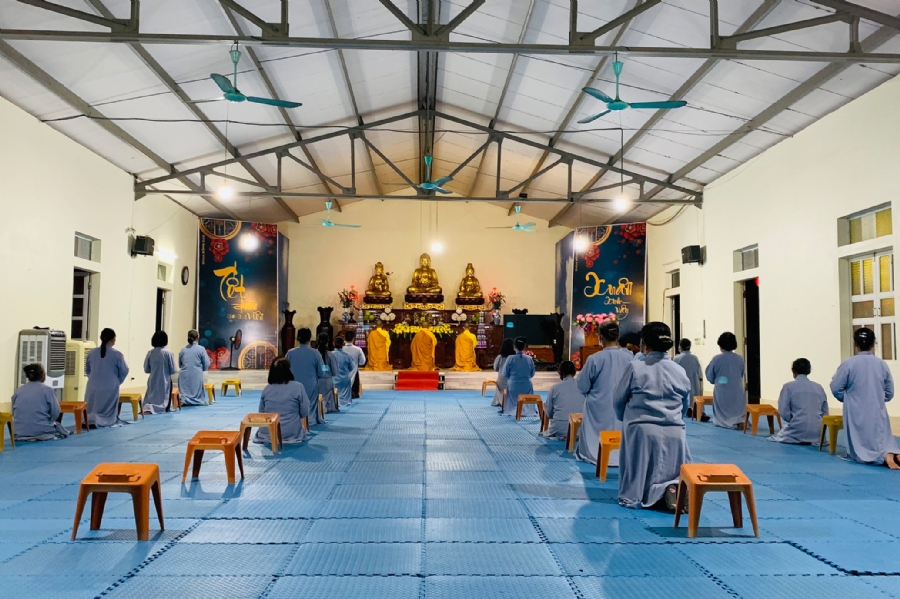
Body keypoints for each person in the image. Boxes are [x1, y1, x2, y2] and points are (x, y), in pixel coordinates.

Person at [614, 322, 692, 511]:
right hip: (675, 431)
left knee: (637, 475)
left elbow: (618, 400)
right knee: (671, 470)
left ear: (644, 344)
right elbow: (685, 405)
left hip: (641, 429)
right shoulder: (679, 370)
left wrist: (625, 419)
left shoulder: (635, 367)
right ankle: (671, 489)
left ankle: (640, 494)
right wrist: (674, 420)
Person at [830, 328, 900, 468]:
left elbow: (835, 387)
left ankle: (881, 456)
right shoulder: (881, 364)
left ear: (855, 344)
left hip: (855, 409)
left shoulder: (849, 363)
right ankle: (892, 453)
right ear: (874, 343)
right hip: (877, 408)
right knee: (881, 436)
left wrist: (848, 398)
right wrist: (877, 398)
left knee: (861, 441)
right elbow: (889, 392)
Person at [575, 321, 632, 465]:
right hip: (623, 405)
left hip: (598, 405)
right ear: (618, 336)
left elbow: (582, 386)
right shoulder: (630, 358)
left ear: (600, 337)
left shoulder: (595, 358)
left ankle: (596, 453)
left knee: (595, 431)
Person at [769, 358, 828, 445]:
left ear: (793, 371)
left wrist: (794, 420)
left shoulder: (788, 387)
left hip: (797, 429)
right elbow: (825, 412)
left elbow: (783, 410)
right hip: (818, 432)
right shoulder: (818, 387)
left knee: (779, 435)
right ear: (809, 371)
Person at [255, 358, 310, 446]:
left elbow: (261, 413)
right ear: (289, 370)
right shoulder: (298, 387)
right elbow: (305, 412)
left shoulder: (267, 389)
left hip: (267, 433)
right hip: (291, 433)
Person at [11, 363, 69, 441]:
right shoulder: (48, 390)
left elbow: (14, 411)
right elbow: (56, 412)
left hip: (19, 431)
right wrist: (50, 421)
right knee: (61, 431)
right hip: (42, 430)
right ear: (42, 375)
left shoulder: (18, 391)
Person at [85, 328, 130, 427]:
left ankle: (90, 419)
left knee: (92, 408)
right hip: (110, 387)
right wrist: (117, 381)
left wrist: (94, 379)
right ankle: (98, 420)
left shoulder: (91, 353)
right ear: (113, 339)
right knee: (107, 413)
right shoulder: (117, 354)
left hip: (92, 387)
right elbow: (125, 370)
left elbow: (87, 370)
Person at [705, 332, 746, 429]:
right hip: (737, 389)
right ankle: (738, 420)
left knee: (722, 410)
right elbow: (741, 373)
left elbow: (710, 375)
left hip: (722, 389)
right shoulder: (740, 358)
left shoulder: (717, 359)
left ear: (720, 345)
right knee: (737, 407)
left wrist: (715, 380)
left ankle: (725, 422)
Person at [286, 328, 325, 425]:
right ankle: (310, 420)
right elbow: (322, 372)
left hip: (293, 385)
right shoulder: (315, 353)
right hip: (310, 385)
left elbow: (285, 370)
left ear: (297, 338)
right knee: (310, 403)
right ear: (309, 339)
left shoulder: (290, 353)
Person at [542, 361, 584, 439]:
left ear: (560, 373)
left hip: (558, 429)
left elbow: (549, 413)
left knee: (545, 406)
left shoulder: (555, 388)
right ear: (574, 372)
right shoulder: (582, 387)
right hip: (580, 430)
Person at [501, 337, 536, 417]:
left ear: (514, 347)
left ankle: (513, 410)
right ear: (524, 347)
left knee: (511, 392)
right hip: (526, 385)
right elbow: (532, 374)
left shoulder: (510, 358)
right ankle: (527, 410)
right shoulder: (529, 359)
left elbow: (505, 373)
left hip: (513, 385)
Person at [143, 331, 176, 414]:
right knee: (164, 397)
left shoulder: (150, 353)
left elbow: (146, 369)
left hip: (152, 379)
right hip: (165, 380)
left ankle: (149, 407)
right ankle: (160, 408)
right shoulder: (168, 353)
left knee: (151, 395)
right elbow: (173, 369)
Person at [178, 330, 210, 406]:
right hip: (196, 374)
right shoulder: (201, 349)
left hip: (184, 375)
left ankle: (184, 400)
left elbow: (180, 364)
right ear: (197, 338)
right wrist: (202, 369)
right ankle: (197, 401)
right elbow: (206, 363)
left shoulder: (183, 349)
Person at [674, 338, 704, 419]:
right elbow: (699, 371)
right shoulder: (694, 358)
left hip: (681, 382)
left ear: (680, 347)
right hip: (694, 382)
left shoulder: (677, 358)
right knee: (694, 396)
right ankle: (696, 410)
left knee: (684, 397)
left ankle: (688, 410)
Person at [317, 333, 339, 414]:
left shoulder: (314, 354)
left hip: (316, 381)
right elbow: (335, 371)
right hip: (327, 381)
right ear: (327, 342)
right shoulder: (330, 355)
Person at [491, 339, 515, 408]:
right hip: (512, 380)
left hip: (502, 380)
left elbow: (495, 368)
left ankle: (500, 401)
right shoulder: (515, 358)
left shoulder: (500, 357)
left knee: (500, 384)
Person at [332, 338, 355, 406]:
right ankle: (345, 402)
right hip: (344, 379)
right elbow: (352, 368)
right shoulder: (347, 356)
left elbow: (325, 367)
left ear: (334, 344)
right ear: (343, 345)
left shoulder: (329, 355)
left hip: (333, 379)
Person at [343, 331, 367, 399]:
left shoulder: (341, 349)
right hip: (354, 373)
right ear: (354, 339)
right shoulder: (358, 349)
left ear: (345, 338)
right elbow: (362, 362)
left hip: (342, 374)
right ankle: (353, 394)